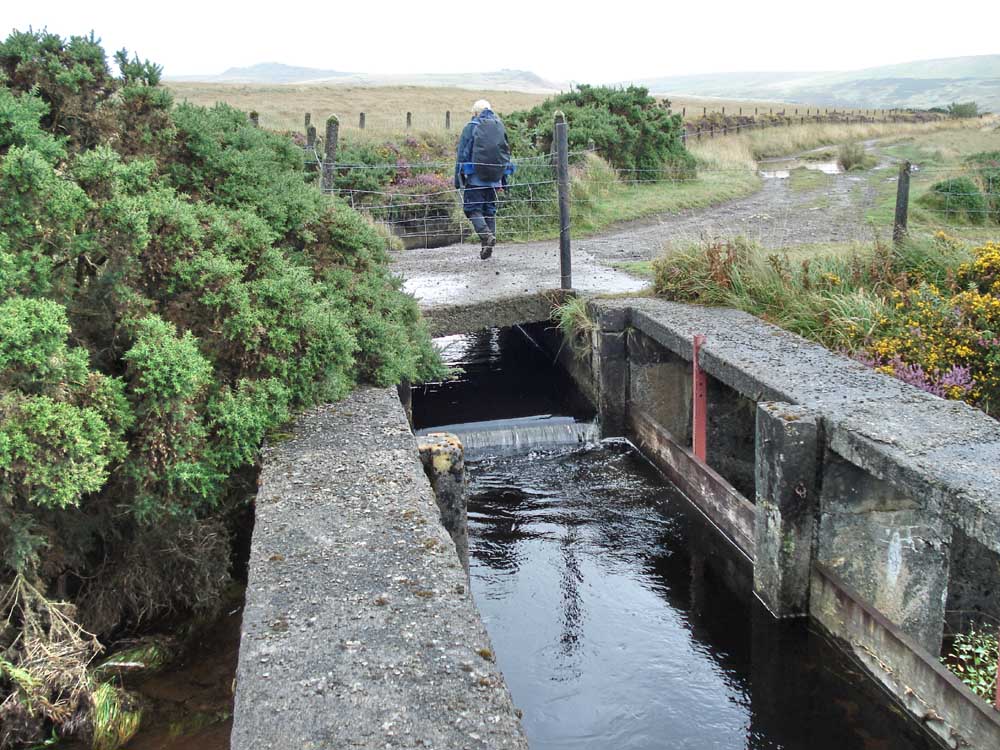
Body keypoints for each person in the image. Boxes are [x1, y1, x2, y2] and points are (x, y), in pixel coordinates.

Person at [454, 99, 514, 260]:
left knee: (473, 209)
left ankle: (487, 237)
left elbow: (461, 155)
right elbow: (505, 154)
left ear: (475, 112)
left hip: (475, 178)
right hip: (495, 178)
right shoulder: (499, 126)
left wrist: (457, 180)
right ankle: (488, 246)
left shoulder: (471, 127)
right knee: (489, 210)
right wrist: (503, 180)